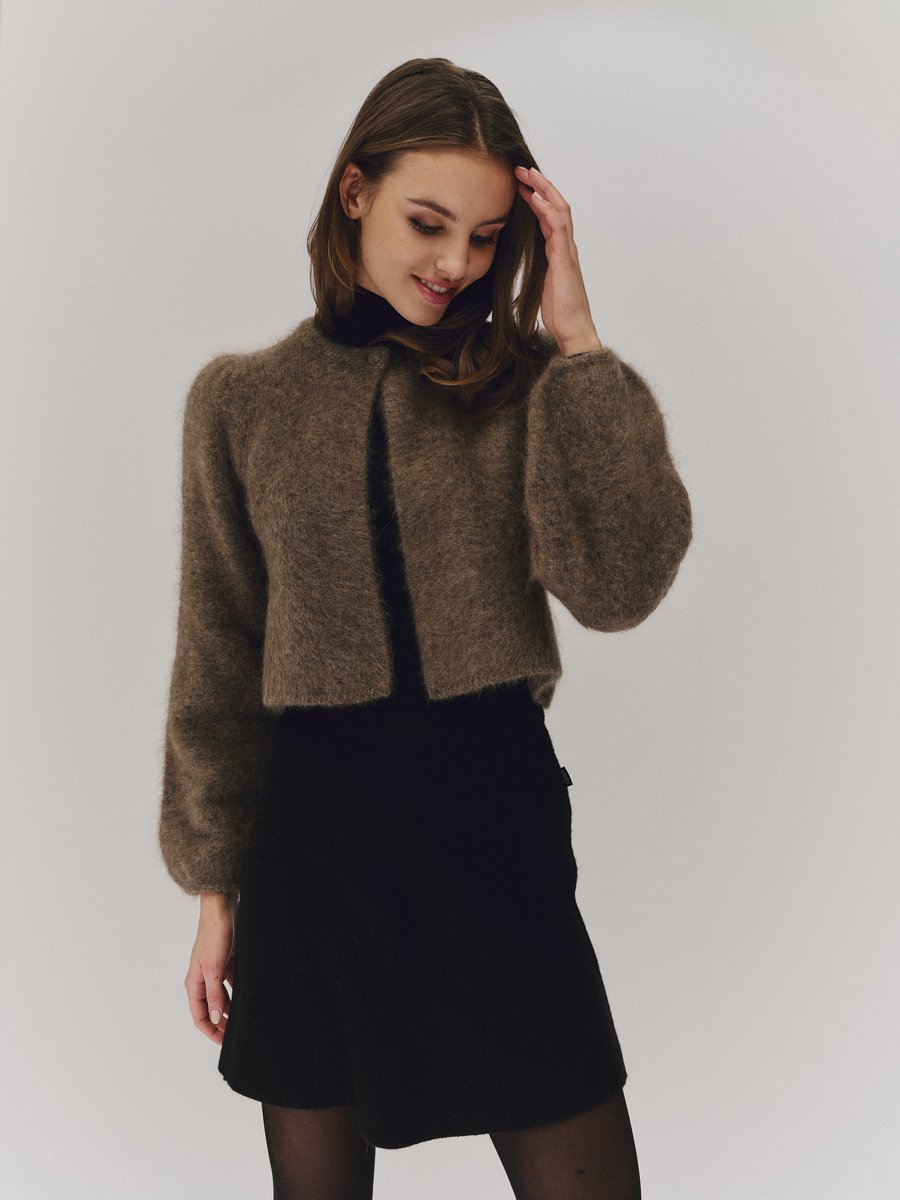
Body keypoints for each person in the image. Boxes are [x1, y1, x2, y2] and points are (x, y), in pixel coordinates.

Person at [158, 56, 692, 1200]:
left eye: (488, 237)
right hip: (312, 848)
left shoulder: (530, 387)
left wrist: (579, 345)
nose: (456, 264)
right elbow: (218, 657)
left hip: (489, 826)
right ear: (355, 192)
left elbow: (622, 583)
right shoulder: (242, 401)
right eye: (428, 222)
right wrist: (215, 896)